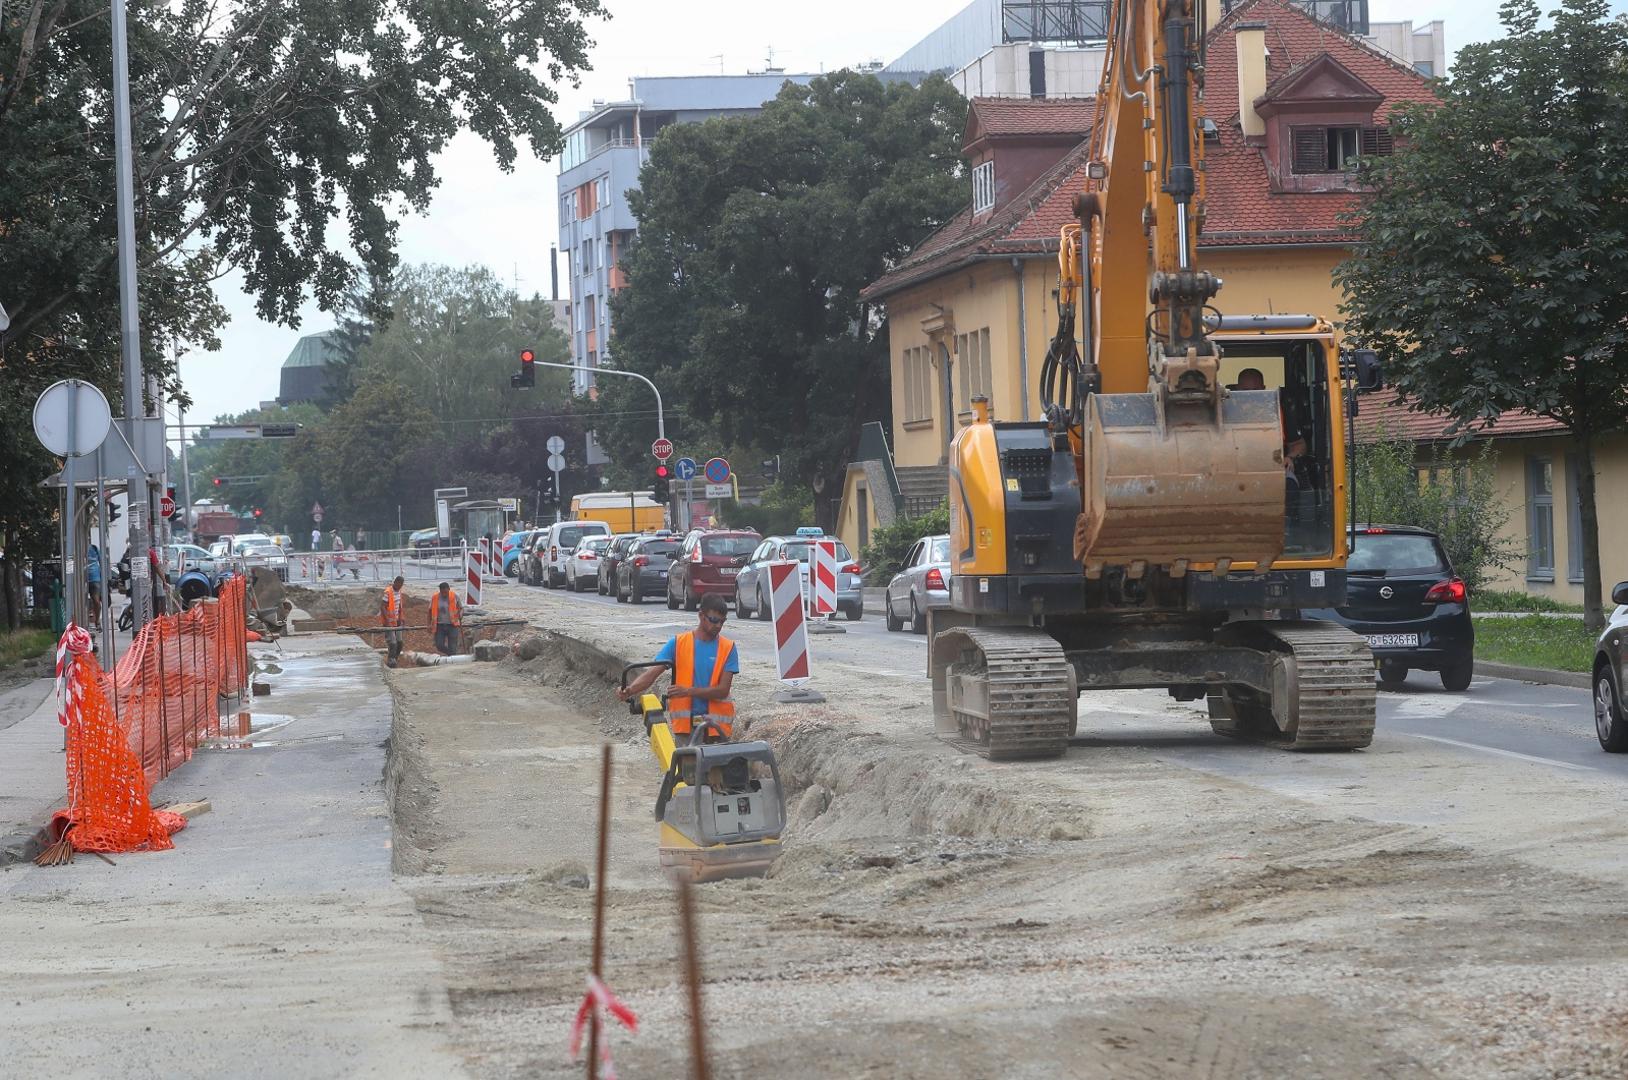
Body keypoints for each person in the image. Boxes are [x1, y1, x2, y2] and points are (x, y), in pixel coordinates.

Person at [617, 593, 739, 740]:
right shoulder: (679, 643)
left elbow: (722, 690)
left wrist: (688, 691)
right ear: (701, 616)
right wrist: (630, 690)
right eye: (714, 620)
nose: (718, 626)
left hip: (716, 729)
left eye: (722, 621)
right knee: (688, 763)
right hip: (685, 728)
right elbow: (652, 673)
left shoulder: (728, 648)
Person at [429, 581, 461, 656]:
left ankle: (452, 659)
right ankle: (451, 654)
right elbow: (430, 611)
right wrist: (428, 624)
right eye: (442, 592)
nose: (444, 594)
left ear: (449, 589)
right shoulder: (435, 597)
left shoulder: (455, 596)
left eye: (446, 592)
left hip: (452, 625)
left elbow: (461, 608)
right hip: (440, 625)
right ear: (440, 591)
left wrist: (461, 614)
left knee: (452, 646)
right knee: (439, 645)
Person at [381, 575, 406, 668]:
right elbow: (382, 606)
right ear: (395, 582)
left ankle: (394, 658)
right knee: (393, 643)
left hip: (397, 621)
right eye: (399, 584)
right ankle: (391, 660)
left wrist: (401, 617)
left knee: (399, 643)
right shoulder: (388, 592)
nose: (400, 586)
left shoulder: (399, 592)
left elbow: (399, 605)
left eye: (401, 585)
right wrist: (387, 619)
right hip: (389, 622)